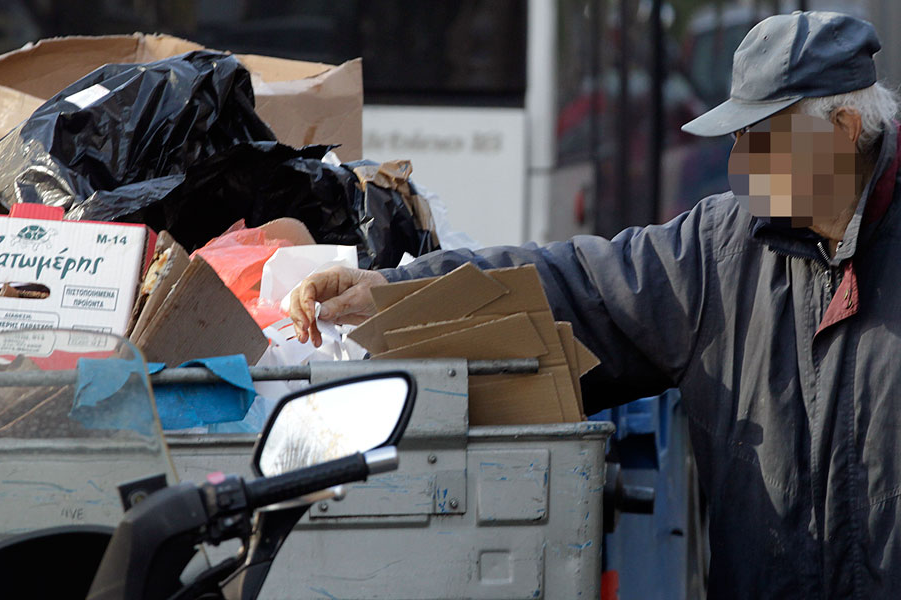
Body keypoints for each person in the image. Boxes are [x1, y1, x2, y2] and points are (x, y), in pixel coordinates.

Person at [290, 11, 901, 598]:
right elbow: (575, 285)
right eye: (739, 139)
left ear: (845, 131)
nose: (740, 165)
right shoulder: (723, 248)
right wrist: (396, 292)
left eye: (761, 140)